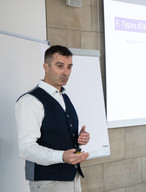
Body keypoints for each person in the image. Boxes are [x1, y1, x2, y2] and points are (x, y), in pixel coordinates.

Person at [15, 45, 90, 192]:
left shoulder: (64, 97)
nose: (65, 72)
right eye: (60, 66)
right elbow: (26, 149)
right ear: (46, 66)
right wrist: (62, 156)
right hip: (48, 182)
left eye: (69, 67)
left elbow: (59, 132)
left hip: (72, 177)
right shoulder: (30, 101)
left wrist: (81, 138)